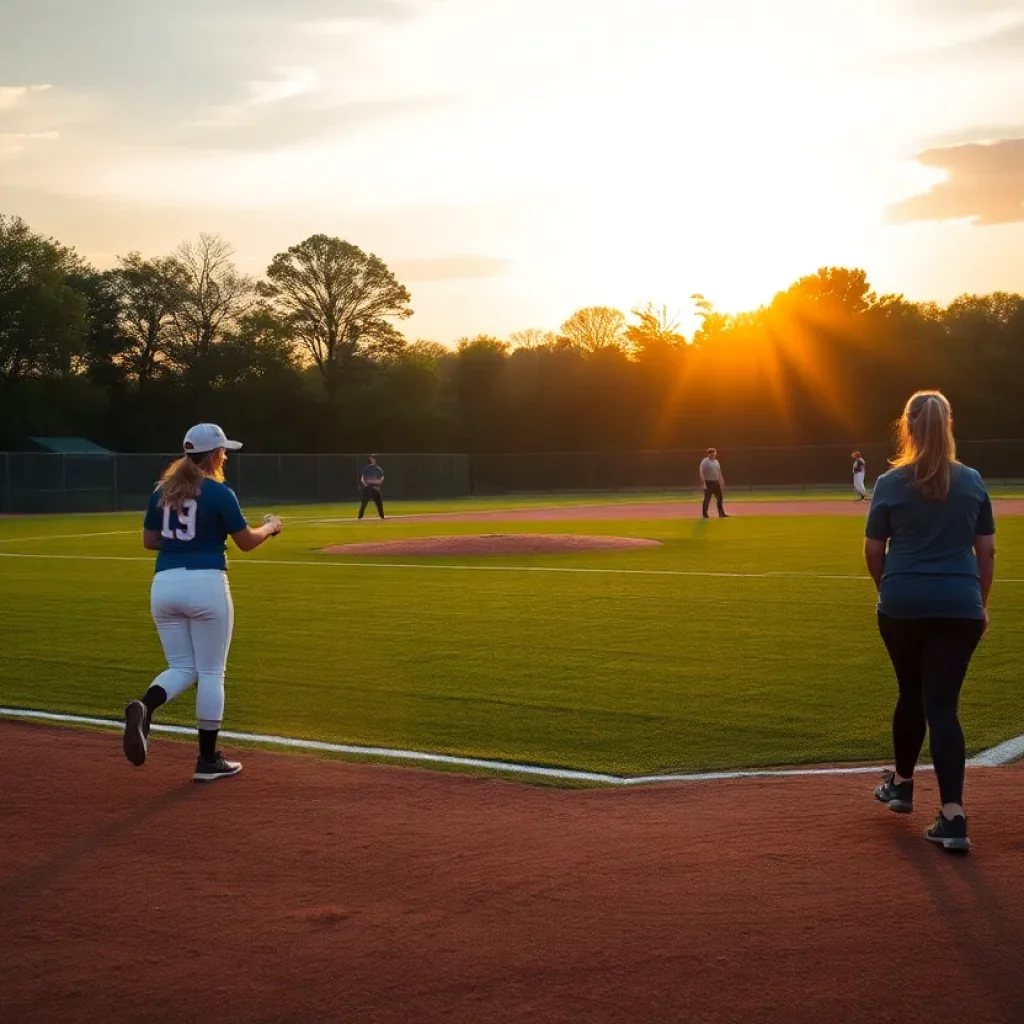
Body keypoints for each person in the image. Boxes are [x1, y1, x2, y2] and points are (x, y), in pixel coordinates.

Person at [865, 391, 995, 854]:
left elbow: (873, 550)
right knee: (942, 705)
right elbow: (986, 552)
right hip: (958, 605)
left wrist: (889, 590)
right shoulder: (973, 481)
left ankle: (901, 785)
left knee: (910, 692)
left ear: (910, 427)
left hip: (902, 604)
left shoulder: (889, 482)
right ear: (948, 425)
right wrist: (978, 604)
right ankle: (953, 815)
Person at [122, 423, 282, 783]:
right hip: (206, 583)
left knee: (182, 667)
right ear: (212, 456)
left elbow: (150, 541)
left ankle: (145, 707)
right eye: (223, 451)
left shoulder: (162, 491)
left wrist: (183, 541)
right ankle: (208, 761)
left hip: (164, 585)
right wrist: (270, 527)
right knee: (211, 672)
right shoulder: (220, 492)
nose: (225, 456)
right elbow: (246, 541)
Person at [698, 448, 728, 518]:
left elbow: (719, 471)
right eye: (713, 453)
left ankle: (721, 514)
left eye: (715, 453)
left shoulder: (716, 461)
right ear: (709, 454)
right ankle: (705, 515)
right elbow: (701, 472)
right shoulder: (705, 461)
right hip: (708, 482)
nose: (714, 454)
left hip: (716, 482)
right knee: (707, 499)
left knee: (720, 498)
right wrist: (704, 483)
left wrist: (721, 480)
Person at [358, 454, 385, 520]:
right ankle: (360, 517)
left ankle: (382, 517)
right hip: (368, 488)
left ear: (376, 460)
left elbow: (381, 480)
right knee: (363, 504)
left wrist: (373, 482)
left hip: (375, 489)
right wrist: (365, 484)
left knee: (379, 505)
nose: (372, 460)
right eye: (371, 459)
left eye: (373, 459)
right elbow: (362, 478)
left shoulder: (379, 469)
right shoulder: (367, 468)